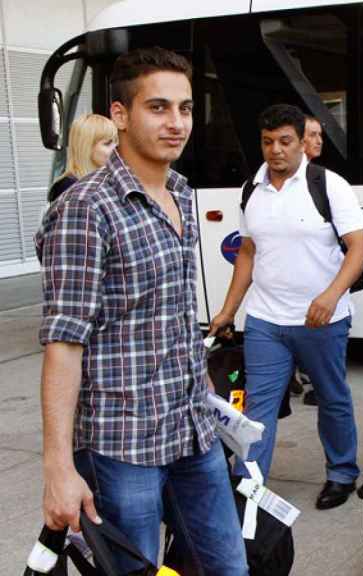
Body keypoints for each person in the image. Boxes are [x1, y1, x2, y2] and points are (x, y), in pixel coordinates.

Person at [35, 47, 247, 574]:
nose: (177, 123)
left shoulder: (179, 190)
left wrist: (200, 386)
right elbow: (64, 342)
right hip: (120, 444)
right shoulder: (86, 209)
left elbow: (167, 315)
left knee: (230, 566)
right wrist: (58, 468)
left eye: (186, 108)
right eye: (158, 108)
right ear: (122, 115)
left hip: (191, 428)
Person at [208, 103, 363, 510]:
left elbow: (359, 247)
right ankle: (249, 484)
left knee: (331, 397)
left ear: (302, 142)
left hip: (321, 320)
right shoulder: (251, 189)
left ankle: (342, 473)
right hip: (266, 318)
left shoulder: (329, 186)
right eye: (267, 142)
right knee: (258, 404)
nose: (276, 150)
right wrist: (229, 310)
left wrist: (331, 296)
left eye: (284, 141)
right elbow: (247, 252)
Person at [48, 113, 117, 202]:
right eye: (107, 143)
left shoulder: (109, 179)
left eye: (116, 142)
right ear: (86, 147)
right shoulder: (68, 187)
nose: (116, 148)